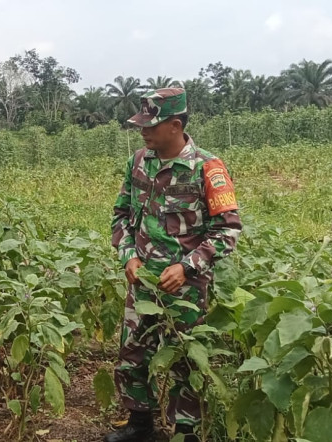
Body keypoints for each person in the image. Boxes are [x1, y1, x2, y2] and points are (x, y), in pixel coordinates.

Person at [108, 88, 242, 442]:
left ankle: (187, 432)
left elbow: (228, 229)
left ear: (175, 125)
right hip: (143, 283)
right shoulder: (139, 161)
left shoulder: (207, 168)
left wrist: (187, 267)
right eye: (141, 125)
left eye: (151, 126)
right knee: (132, 354)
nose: (143, 132)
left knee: (186, 359)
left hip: (186, 287)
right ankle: (140, 427)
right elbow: (121, 216)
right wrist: (129, 256)